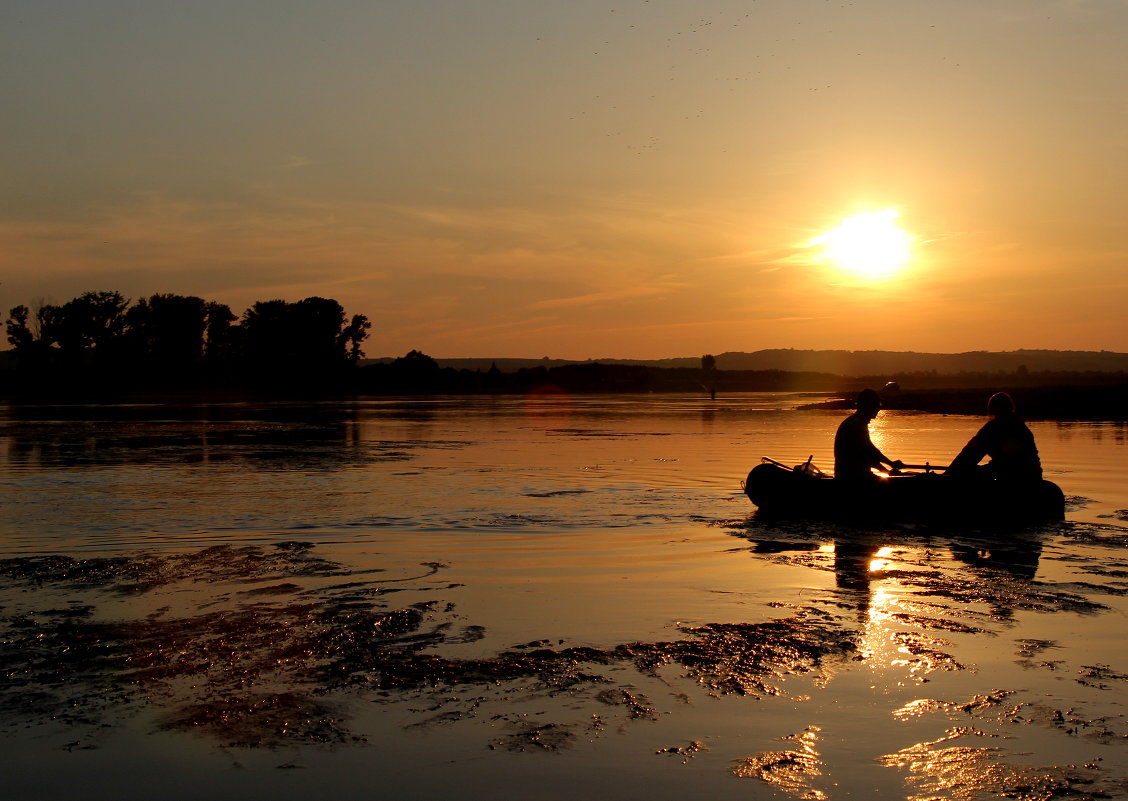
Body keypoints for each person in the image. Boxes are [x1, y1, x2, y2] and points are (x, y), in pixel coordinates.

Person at [947, 392, 1042, 481]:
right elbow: (969, 454)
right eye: (997, 406)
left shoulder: (1015, 428)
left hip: (1022, 473)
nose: (999, 410)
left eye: (1002, 406)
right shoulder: (992, 428)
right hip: (1007, 469)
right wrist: (950, 472)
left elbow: (1012, 461)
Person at [834, 388, 904, 481]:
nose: (879, 408)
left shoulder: (859, 423)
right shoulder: (855, 424)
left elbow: (868, 454)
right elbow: (868, 452)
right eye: (876, 405)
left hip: (860, 475)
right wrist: (890, 465)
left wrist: (887, 470)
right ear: (867, 405)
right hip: (852, 477)